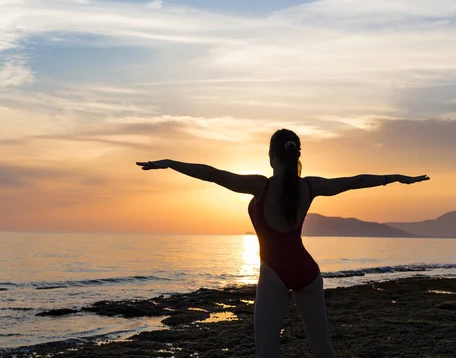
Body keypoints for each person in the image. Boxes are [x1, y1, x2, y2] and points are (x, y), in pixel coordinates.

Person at [136, 128, 430, 358]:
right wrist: (395, 178)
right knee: (322, 350)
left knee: (267, 353)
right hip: (307, 270)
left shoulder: (260, 185)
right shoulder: (310, 186)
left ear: (271, 157)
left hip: (275, 272)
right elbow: (354, 180)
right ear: (297, 157)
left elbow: (213, 175)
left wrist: (171, 164)